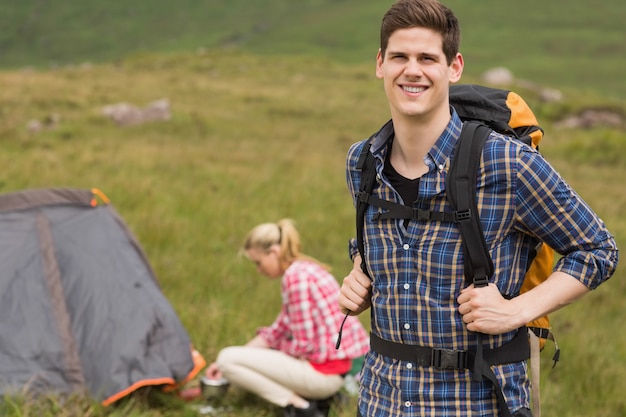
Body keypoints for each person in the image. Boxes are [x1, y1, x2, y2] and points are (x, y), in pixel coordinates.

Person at [337, 1, 619, 416]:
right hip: (381, 402)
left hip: (476, 404)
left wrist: (516, 310)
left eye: (427, 58)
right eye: (399, 56)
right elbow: (384, 244)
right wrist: (360, 271)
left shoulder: (505, 162)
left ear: (454, 68)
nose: (412, 70)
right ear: (381, 64)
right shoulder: (361, 162)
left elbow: (598, 250)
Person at [206, 218, 369, 417]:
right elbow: (277, 331)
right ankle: (314, 400)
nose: (259, 270)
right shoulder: (305, 269)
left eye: (259, 262)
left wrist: (276, 350)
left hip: (324, 375)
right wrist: (249, 353)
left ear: (273, 252)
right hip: (337, 369)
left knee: (226, 359)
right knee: (232, 358)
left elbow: (303, 345)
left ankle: (301, 407)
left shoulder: (295, 278)